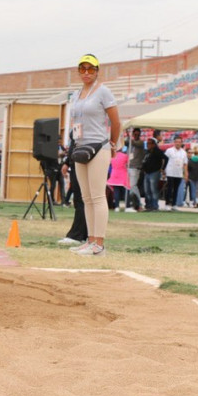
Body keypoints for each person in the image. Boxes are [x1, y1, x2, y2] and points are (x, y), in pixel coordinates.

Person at [68, 54, 120, 256]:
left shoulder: (104, 92)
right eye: (83, 69)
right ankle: (90, 240)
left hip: (99, 146)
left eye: (91, 69)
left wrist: (113, 143)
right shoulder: (76, 94)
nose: (87, 73)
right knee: (86, 197)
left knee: (98, 196)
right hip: (80, 147)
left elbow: (115, 122)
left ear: (97, 71)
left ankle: (99, 243)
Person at [58, 138, 87, 246]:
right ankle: (84, 234)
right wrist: (67, 162)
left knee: (81, 201)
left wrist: (68, 162)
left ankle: (77, 235)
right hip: (77, 161)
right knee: (82, 200)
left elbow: (76, 143)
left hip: (81, 161)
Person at [163, 136, 188, 210]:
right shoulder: (169, 150)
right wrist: (163, 170)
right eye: (176, 141)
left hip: (179, 173)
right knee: (169, 188)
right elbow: (164, 160)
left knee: (176, 189)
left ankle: (174, 204)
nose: (178, 143)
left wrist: (185, 174)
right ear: (174, 142)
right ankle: (167, 204)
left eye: (179, 142)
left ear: (181, 143)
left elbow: (185, 164)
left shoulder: (183, 152)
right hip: (170, 172)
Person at [141, 137, 164, 211]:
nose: (148, 145)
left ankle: (154, 206)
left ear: (154, 144)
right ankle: (148, 205)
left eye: (149, 143)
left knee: (153, 189)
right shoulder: (147, 152)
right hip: (147, 172)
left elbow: (166, 158)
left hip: (154, 172)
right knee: (147, 190)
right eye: (147, 143)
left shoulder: (157, 151)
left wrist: (162, 168)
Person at [106, 141, 129, 212]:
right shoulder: (125, 156)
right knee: (126, 191)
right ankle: (127, 206)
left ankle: (116, 206)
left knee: (116, 192)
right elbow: (128, 164)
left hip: (114, 175)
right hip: (122, 175)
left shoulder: (112, 156)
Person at [127, 128, 145, 211]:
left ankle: (138, 203)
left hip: (135, 167)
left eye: (138, 134)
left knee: (133, 185)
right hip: (129, 166)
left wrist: (127, 133)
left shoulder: (140, 143)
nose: (136, 136)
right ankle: (134, 203)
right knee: (131, 186)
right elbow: (127, 142)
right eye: (135, 134)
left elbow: (133, 142)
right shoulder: (130, 144)